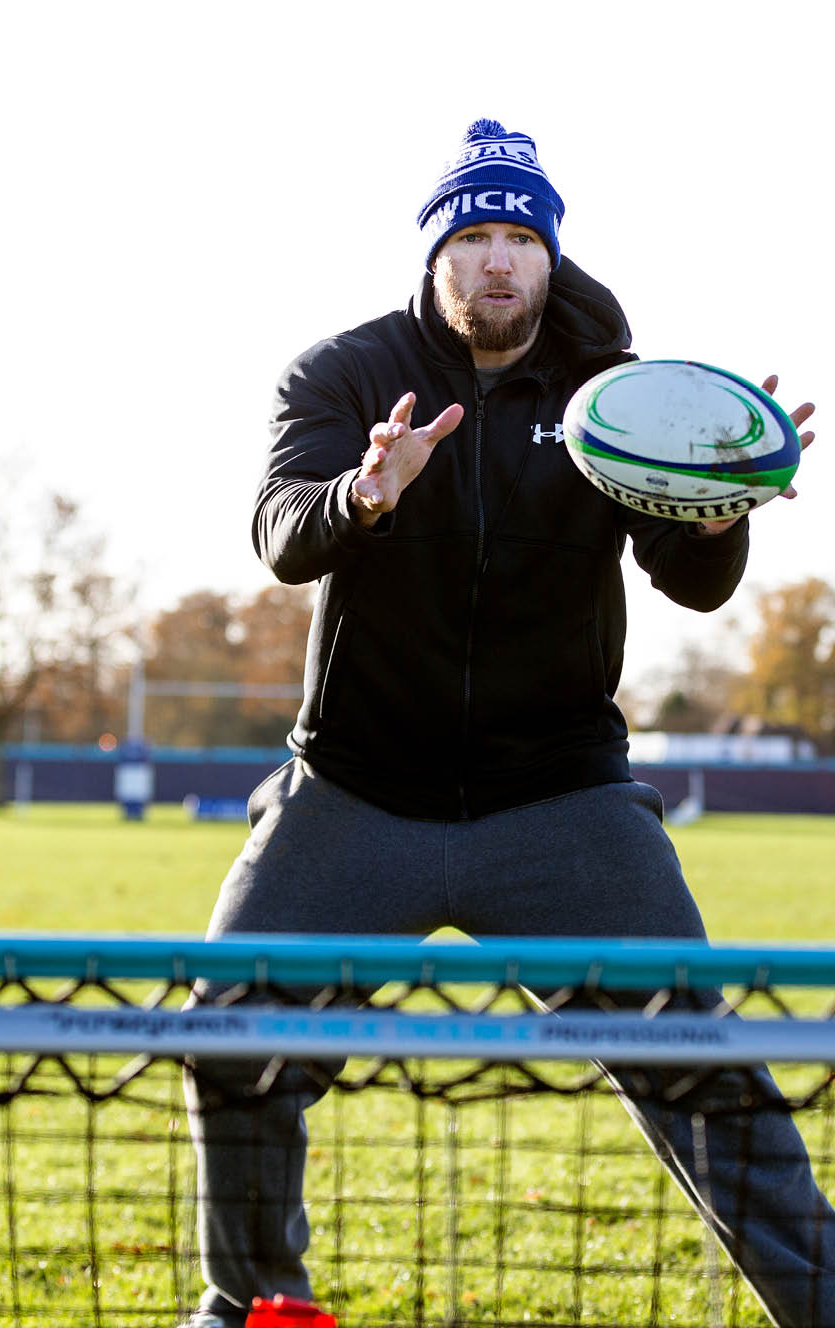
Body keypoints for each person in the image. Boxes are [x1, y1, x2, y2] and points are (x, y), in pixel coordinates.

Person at [179, 119, 826, 1328]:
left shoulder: (621, 393)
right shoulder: (343, 374)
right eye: (469, 234)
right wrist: (362, 493)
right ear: (432, 258)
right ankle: (253, 1304)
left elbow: (694, 586)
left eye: (516, 236)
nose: (494, 259)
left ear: (547, 255)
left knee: (702, 1071)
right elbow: (279, 532)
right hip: (356, 792)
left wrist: (714, 514)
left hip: (560, 800)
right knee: (230, 1040)